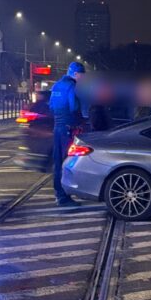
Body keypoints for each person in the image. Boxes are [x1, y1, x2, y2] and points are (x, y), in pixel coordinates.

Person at [49, 61, 86, 206]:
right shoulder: (72, 86)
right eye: (81, 75)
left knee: (57, 162)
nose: (82, 78)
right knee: (67, 162)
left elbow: (51, 106)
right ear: (76, 74)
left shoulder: (56, 85)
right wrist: (79, 122)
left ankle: (58, 193)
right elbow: (74, 107)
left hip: (57, 127)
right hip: (67, 129)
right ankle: (64, 196)